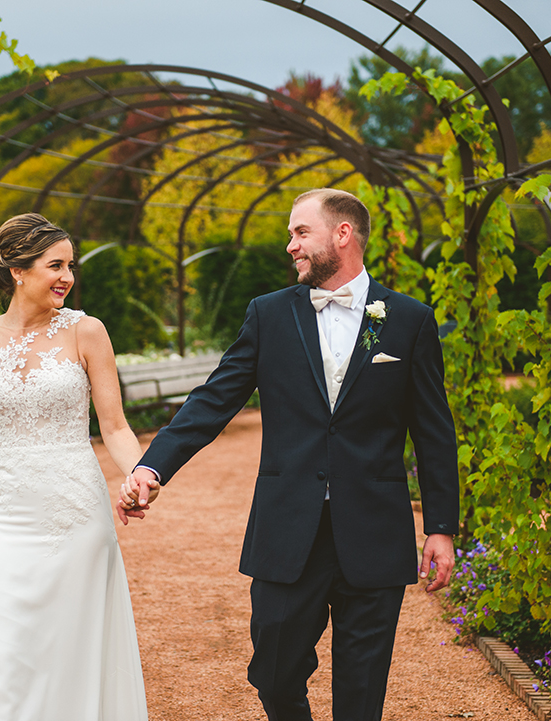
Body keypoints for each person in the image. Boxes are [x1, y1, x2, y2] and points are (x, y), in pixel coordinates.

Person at [119, 188, 459, 721]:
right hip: (286, 528)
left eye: (300, 233)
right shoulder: (268, 315)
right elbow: (213, 399)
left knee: (361, 693)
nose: (290, 246)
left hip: (374, 531)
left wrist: (440, 526)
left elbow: (435, 431)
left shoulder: (410, 321)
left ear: (341, 234)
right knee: (274, 676)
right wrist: (151, 464)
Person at [0, 213, 147, 721]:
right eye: (56, 265)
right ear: (18, 271)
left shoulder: (86, 332)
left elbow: (113, 426)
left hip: (74, 514)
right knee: (5, 654)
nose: (67, 276)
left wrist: (138, 474)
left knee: (69, 650)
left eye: (71, 265)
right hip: (2, 514)